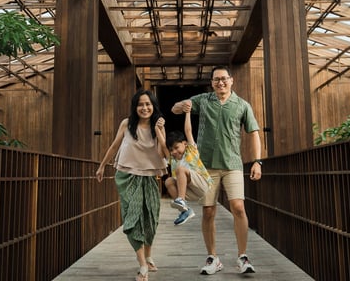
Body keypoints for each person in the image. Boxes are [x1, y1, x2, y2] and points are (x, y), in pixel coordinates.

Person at [172, 65, 262, 275]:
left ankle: (242, 257)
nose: (220, 83)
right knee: (208, 211)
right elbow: (175, 109)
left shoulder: (242, 105)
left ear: (231, 80)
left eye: (224, 79)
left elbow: (254, 133)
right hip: (207, 167)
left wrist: (258, 161)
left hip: (233, 165)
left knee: (238, 207)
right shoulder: (203, 100)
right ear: (212, 83)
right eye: (216, 80)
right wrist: (182, 105)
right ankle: (213, 258)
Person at [96, 89, 169, 281]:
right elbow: (114, 146)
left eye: (148, 104)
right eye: (140, 104)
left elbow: (165, 155)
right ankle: (142, 265)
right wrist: (102, 166)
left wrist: (160, 131)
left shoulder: (159, 126)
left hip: (150, 177)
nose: (144, 108)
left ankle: (148, 255)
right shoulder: (126, 124)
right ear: (135, 107)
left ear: (153, 106)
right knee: (133, 219)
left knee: (151, 218)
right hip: (127, 176)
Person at [159, 111, 213, 226]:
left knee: (180, 169)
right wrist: (158, 128)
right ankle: (185, 210)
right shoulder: (172, 160)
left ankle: (181, 199)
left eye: (176, 147)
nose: (174, 152)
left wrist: (187, 112)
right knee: (168, 181)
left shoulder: (191, 150)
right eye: (171, 150)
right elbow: (163, 145)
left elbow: (188, 130)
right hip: (191, 192)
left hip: (202, 185)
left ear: (184, 144)